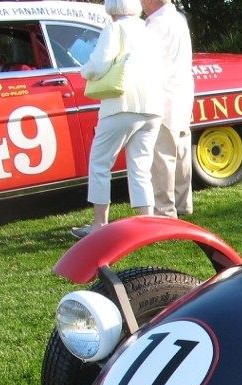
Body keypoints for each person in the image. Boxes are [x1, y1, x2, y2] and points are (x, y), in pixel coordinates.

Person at [72, 0, 164, 238]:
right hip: (152, 106)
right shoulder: (147, 29)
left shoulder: (114, 29)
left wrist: (85, 71)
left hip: (121, 105)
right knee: (141, 166)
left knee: (100, 163)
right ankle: (148, 221)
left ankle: (99, 224)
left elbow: (99, 64)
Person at [142, 0, 194, 218]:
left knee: (163, 156)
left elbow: (146, 62)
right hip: (182, 92)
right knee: (181, 151)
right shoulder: (178, 19)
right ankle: (184, 204)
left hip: (164, 96)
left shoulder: (157, 25)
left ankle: (164, 209)